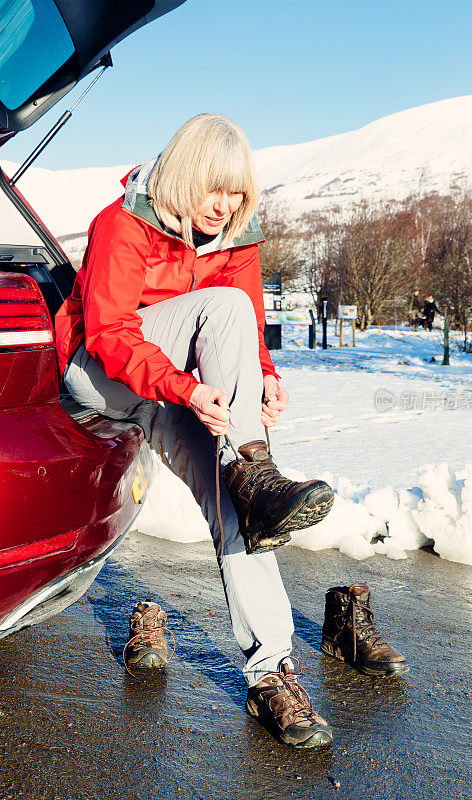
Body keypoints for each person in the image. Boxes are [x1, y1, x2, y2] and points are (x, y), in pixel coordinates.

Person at [54, 113, 336, 749]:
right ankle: (251, 466)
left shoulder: (237, 240)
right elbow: (111, 335)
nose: (226, 207)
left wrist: (261, 376)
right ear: (184, 175)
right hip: (101, 374)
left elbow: (246, 329)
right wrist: (187, 388)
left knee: (239, 500)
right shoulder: (121, 224)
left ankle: (270, 672)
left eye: (238, 195)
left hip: (174, 389)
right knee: (224, 308)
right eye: (217, 189)